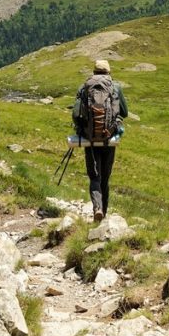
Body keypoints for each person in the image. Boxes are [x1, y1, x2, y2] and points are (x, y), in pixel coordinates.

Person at [72, 60, 128, 222]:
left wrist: (82, 128)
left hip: (90, 139)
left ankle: (97, 208)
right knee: (105, 177)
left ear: (94, 72)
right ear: (108, 72)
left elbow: (76, 114)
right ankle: (104, 214)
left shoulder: (84, 87)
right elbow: (124, 112)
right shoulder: (115, 87)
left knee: (94, 176)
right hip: (109, 138)